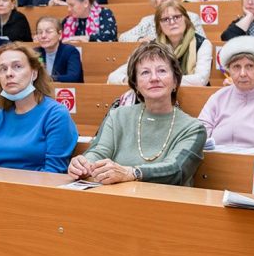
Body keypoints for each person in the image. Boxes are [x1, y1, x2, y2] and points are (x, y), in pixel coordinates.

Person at [69, 42, 206, 186]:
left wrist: (130, 173)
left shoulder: (193, 128)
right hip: (118, 199)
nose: (154, 78)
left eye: (162, 71)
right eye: (145, 72)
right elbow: (98, 152)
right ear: (136, 85)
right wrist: (84, 164)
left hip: (168, 203)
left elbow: (176, 169)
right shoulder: (117, 116)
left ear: (175, 81)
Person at [0, 43, 77, 171]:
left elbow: (53, 172)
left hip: (36, 189)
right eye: (3, 69)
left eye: (17, 66)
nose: (9, 74)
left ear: (34, 73)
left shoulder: (55, 114)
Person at [108, 1, 212, 87]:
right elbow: (113, 77)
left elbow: (200, 80)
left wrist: (158, 80)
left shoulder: (202, 44)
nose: (172, 22)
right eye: (165, 19)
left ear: (186, 19)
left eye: (176, 17)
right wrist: (133, 81)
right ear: (159, 25)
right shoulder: (151, 47)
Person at [119, 0, 205, 43]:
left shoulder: (191, 17)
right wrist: (140, 39)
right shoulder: (147, 21)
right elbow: (123, 37)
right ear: (154, 0)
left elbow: (203, 42)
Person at [35, 16, 83, 83]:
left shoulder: (70, 51)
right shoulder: (35, 53)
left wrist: (49, 78)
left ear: (60, 35)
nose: (43, 36)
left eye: (48, 32)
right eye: (40, 32)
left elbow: (73, 77)